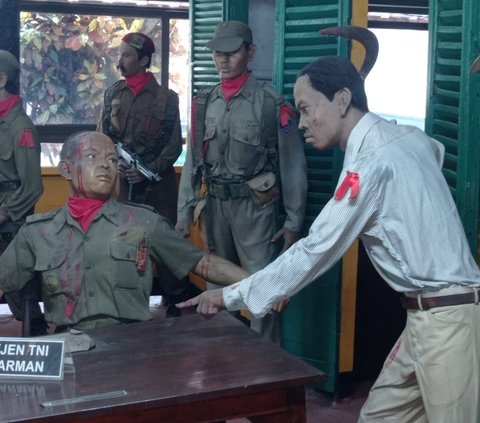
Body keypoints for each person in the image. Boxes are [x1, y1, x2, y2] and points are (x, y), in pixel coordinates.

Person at [179, 54, 480, 422]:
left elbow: (313, 250)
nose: (302, 124)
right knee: (379, 417)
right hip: (425, 317)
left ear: (341, 99)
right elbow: (435, 151)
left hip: (448, 322)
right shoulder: (406, 138)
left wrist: (228, 295)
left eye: (306, 109)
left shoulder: (370, 165)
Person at [0, 131, 249, 332]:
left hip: (132, 345)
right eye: (91, 157)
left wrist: (259, 284)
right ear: (66, 170)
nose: (106, 166)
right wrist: (30, 319)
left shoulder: (142, 223)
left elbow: (201, 263)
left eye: (111, 160)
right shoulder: (38, 232)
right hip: (70, 346)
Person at [176, 21, 307, 343]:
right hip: (215, 207)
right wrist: (183, 213)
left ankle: (266, 368)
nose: (223, 59)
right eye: (217, 53)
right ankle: (226, 367)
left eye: (231, 52)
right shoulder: (203, 102)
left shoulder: (269, 103)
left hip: (256, 211)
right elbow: (193, 160)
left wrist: (293, 221)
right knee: (217, 289)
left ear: (250, 52)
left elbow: (293, 165)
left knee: (261, 288)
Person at [97, 32, 192, 317]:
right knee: (126, 242)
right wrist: (117, 166)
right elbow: (103, 137)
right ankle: (131, 302)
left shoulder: (166, 98)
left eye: (126, 55)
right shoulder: (113, 94)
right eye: (119, 54)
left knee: (165, 245)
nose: (120, 60)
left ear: (144, 60)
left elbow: (174, 144)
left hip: (158, 187)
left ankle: (175, 301)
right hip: (124, 186)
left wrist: (148, 171)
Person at [0, 50, 47, 336]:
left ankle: (39, 340)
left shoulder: (20, 127)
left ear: (2, 79)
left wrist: (4, 214)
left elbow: (33, 186)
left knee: (20, 287)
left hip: (11, 222)